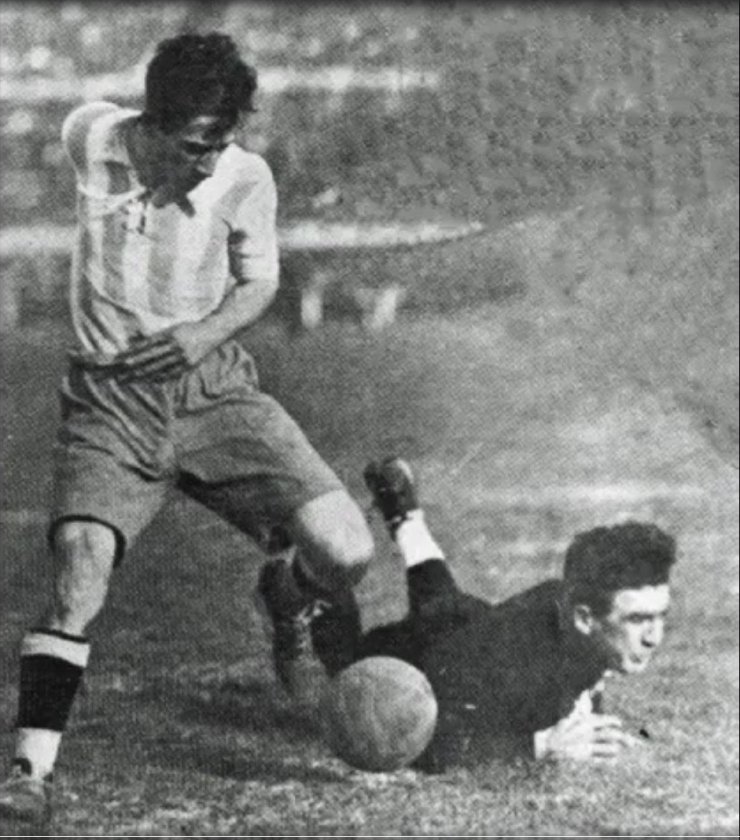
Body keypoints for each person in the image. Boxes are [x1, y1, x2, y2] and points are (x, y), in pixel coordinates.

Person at [0, 32, 373, 823]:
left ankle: (286, 597)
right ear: (153, 122)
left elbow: (259, 281)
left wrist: (199, 336)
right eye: (197, 143)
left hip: (214, 389)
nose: (210, 161)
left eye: (223, 141)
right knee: (80, 565)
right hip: (109, 403)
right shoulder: (90, 137)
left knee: (346, 550)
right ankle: (30, 774)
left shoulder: (245, 178)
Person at [305, 457, 676, 772]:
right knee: (357, 680)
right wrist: (541, 746)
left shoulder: (573, 610)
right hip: (423, 655)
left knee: (445, 603)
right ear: (583, 619)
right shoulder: (512, 669)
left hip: (466, 620)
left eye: (660, 616)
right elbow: (435, 744)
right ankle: (306, 569)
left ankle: (405, 519)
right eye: (637, 620)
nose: (654, 637)